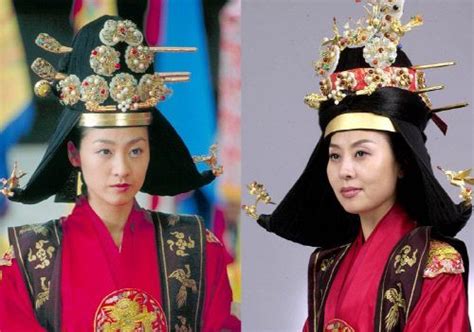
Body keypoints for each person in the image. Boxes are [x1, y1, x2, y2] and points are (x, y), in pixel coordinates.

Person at [0, 16, 239, 331]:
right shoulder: (30, 259)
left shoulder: (197, 248)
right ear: (74, 153)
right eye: (104, 151)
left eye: (136, 150)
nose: (122, 168)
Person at [244, 1, 471, 331]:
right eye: (335, 155)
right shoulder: (329, 266)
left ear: (403, 161)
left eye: (361, 153)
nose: (344, 170)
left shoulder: (434, 267)